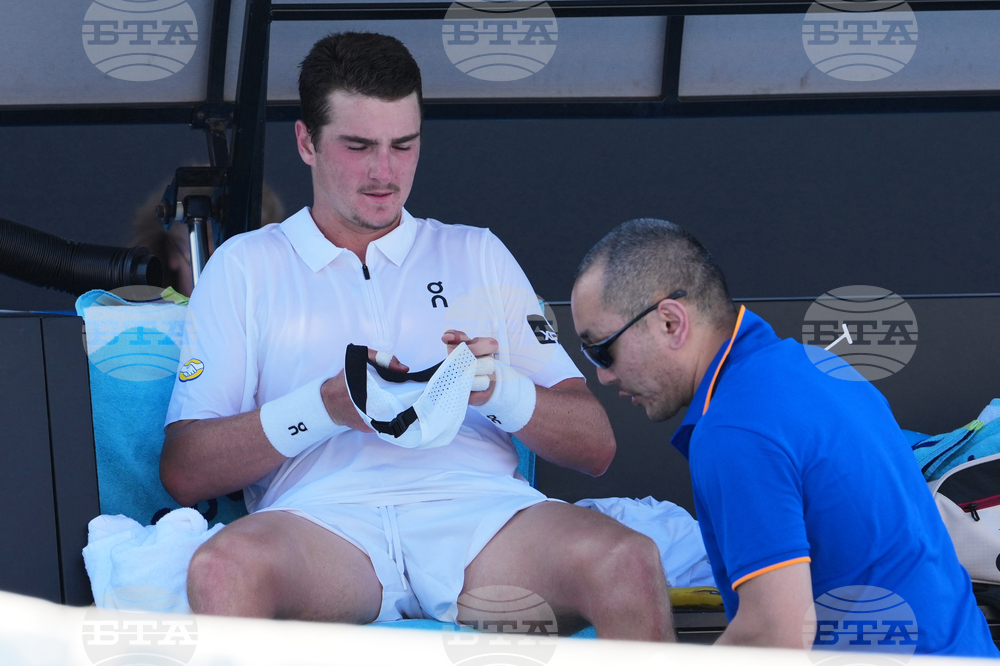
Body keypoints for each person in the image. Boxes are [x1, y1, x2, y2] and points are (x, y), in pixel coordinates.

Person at [159, 32, 673, 638]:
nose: (385, 172)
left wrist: (497, 388)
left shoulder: (476, 250)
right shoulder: (244, 265)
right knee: (221, 570)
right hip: (323, 527)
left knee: (630, 560)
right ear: (306, 142)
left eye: (404, 145)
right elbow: (185, 471)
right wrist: (326, 407)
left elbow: (596, 447)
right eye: (358, 146)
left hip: (483, 520)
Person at [570, 218, 999, 655]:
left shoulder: (733, 429)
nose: (602, 375)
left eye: (602, 349)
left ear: (669, 322)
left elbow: (775, 633)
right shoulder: (820, 368)